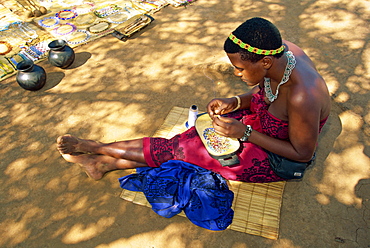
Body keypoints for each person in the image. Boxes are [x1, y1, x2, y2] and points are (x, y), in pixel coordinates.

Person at [57, 17, 331, 183]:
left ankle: (97, 149)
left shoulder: (301, 97)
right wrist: (235, 101)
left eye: (240, 69)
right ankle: (102, 162)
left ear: (266, 61)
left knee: (185, 151)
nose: (236, 73)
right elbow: (266, 95)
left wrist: (246, 133)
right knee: (189, 139)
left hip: (277, 156)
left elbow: (302, 153)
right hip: (261, 124)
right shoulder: (281, 52)